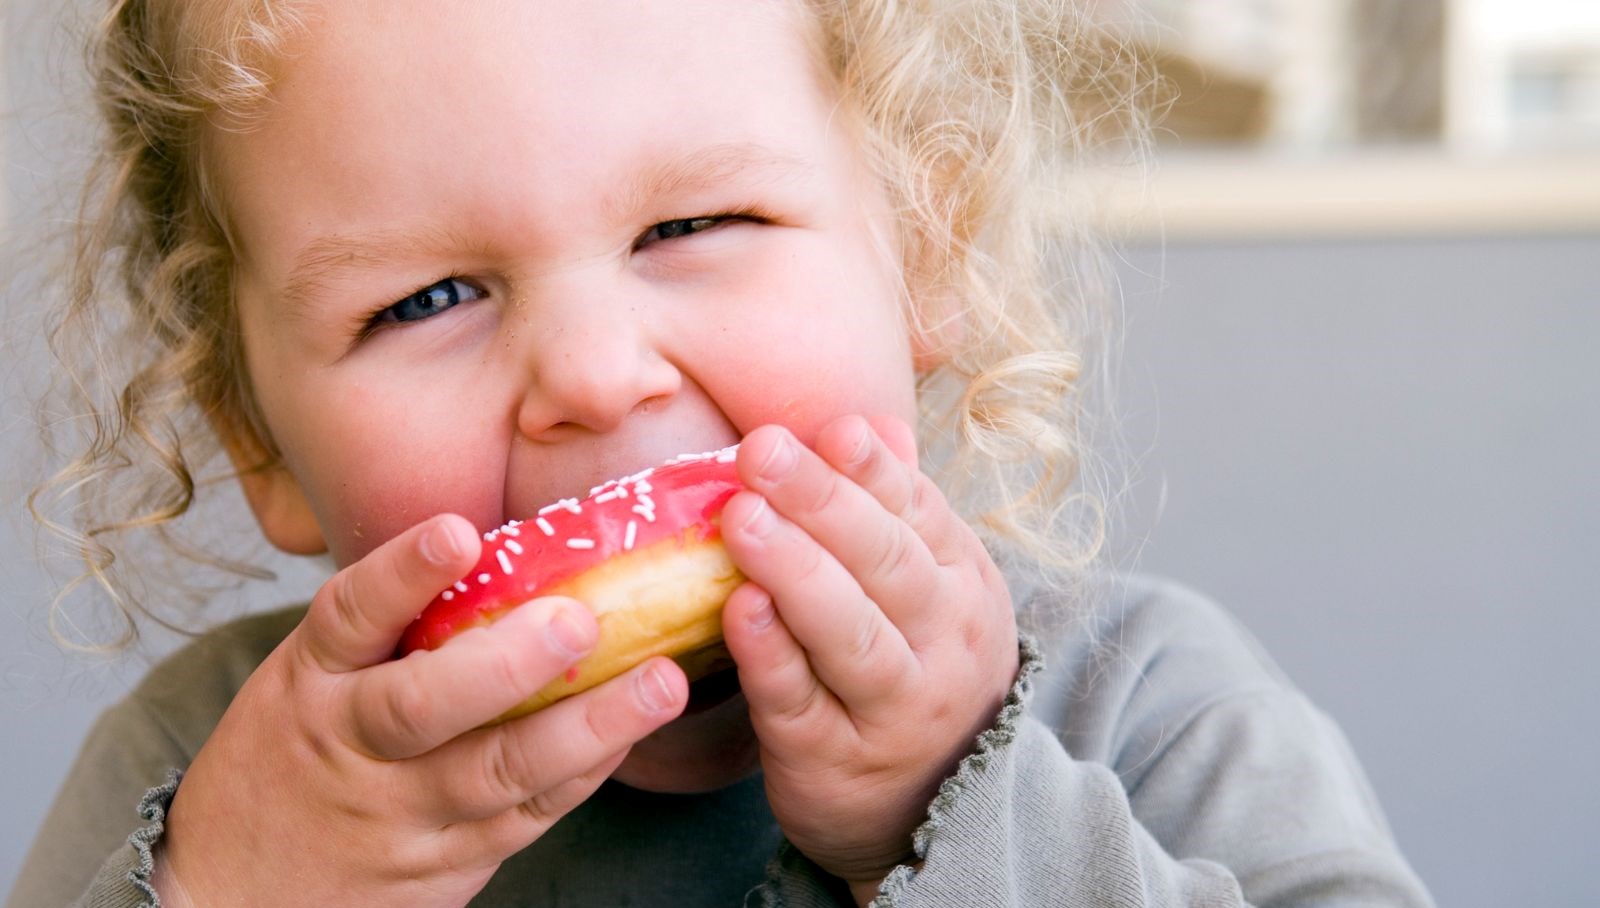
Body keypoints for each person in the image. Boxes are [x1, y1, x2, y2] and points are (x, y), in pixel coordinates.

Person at [7, 1, 1436, 906]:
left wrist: (946, 812)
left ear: (922, 256)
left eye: (689, 228)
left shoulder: (1141, 706)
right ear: (257, 437)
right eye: (425, 300)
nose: (588, 376)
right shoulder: (208, 770)